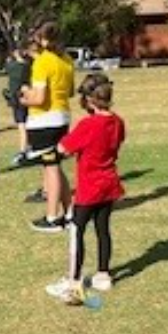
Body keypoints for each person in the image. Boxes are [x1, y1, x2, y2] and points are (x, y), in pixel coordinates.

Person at [45, 74, 125, 304]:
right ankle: (103, 274)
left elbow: (64, 147)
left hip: (90, 187)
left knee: (76, 230)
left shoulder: (89, 125)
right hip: (109, 183)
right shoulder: (117, 122)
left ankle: (74, 282)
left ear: (89, 100)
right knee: (103, 229)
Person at [19, 21, 74, 232]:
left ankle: (52, 217)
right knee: (57, 166)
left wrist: (24, 97)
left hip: (44, 120)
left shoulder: (43, 61)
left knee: (50, 168)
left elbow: (39, 98)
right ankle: (69, 213)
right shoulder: (66, 59)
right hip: (62, 116)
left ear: (43, 40)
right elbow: (69, 92)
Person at [4, 42, 31, 164]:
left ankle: (23, 150)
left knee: (21, 124)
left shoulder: (12, 66)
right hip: (26, 96)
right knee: (26, 122)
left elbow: (7, 66)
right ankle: (29, 146)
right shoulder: (27, 66)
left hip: (16, 97)